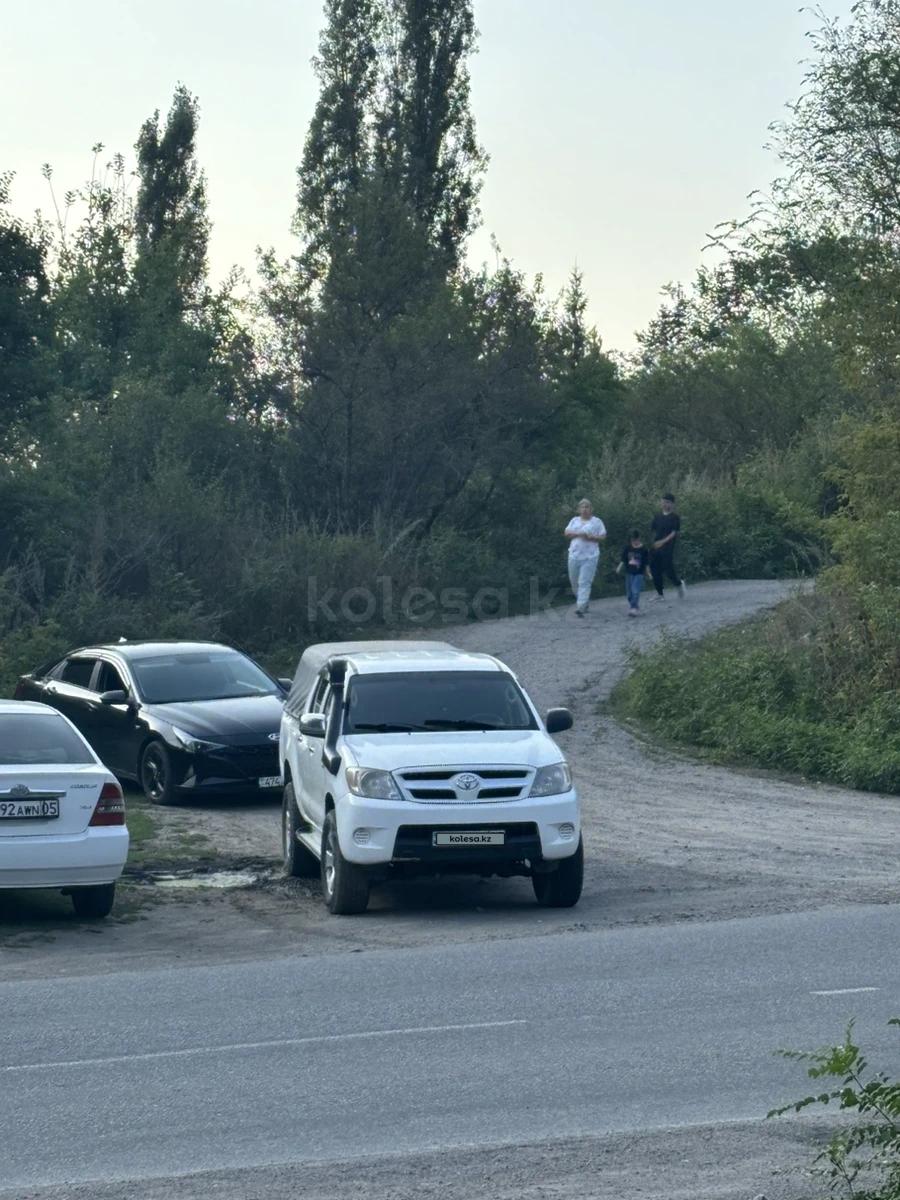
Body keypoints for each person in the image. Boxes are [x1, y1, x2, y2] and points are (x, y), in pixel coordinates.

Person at [564, 498, 607, 616]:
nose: (585, 509)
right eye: (582, 507)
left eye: (587, 507)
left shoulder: (597, 522)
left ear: (591, 509)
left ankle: (581, 607)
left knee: (584, 581)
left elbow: (603, 536)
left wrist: (592, 537)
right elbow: (567, 533)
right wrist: (579, 534)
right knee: (574, 582)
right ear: (578, 509)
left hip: (590, 556)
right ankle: (584, 601)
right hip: (574, 555)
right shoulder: (574, 520)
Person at [650, 492, 686, 600]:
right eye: (664, 502)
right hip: (655, 547)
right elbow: (652, 531)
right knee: (655, 569)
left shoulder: (675, 517)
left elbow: (673, 533)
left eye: (668, 502)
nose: (665, 504)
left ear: (672, 504)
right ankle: (659, 594)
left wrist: (662, 542)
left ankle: (679, 584)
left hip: (667, 548)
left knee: (668, 570)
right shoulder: (657, 516)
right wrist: (652, 543)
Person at [616, 530, 652, 616]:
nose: (634, 542)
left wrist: (648, 573)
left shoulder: (643, 549)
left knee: (635, 590)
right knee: (629, 593)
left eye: (636, 540)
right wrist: (619, 567)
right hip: (629, 573)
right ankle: (635, 605)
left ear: (639, 538)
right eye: (632, 540)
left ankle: (633, 608)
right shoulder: (628, 548)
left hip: (639, 573)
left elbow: (646, 562)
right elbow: (623, 559)